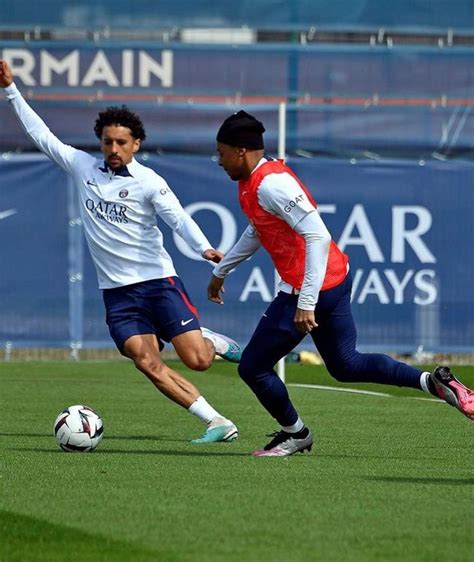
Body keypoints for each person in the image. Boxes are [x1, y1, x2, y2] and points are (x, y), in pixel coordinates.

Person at [0, 59, 240, 445]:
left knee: (199, 360)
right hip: (118, 293)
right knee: (146, 361)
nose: (114, 149)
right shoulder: (84, 168)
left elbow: (178, 219)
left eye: (122, 143)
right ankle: (217, 422)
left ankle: (214, 341)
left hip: (158, 283)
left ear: (136, 144)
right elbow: (41, 135)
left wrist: (204, 249)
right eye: (108, 142)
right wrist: (10, 90)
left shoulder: (149, 182)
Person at [208, 109, 474, 457]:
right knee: (346, 364)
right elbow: (259, 230)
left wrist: (305, 301)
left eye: (222, 152)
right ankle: (433, 382)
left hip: (309, 289)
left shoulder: (272, 183)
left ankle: (296, 434)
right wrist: (222, 270)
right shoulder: (254, 181)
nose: (218, 160)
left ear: (241, 150)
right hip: (334, 279)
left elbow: (318, 236)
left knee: (253, 367)